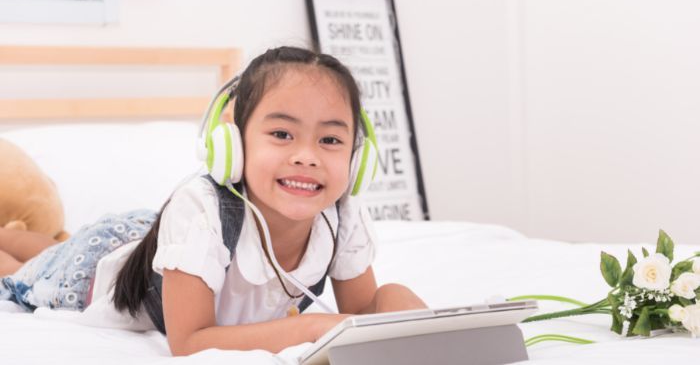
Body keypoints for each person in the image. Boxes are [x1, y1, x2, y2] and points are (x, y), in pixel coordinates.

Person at [0, 46, 427, 355]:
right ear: (232, 146)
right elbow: (191, 342)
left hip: (156, 245)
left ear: (357, 159)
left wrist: (398, 304)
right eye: (281, 134)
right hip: (91, 275)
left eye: (331, 139)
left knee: (58, 241)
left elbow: (358, 316)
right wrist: (312, 327)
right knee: (25, 268)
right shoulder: (200, 213)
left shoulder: (340, 216)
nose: (306, 156)